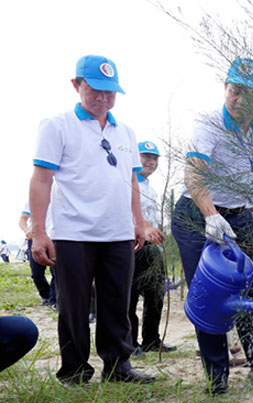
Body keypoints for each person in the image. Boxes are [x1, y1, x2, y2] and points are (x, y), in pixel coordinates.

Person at [29, 54, 155, 385]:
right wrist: (39, 233)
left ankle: (118, 367)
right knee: (74, 305)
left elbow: (131, 182)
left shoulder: (125, 131)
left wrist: (138, 223)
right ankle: (74, 371)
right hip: (73, 233)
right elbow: (41, 179)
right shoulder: (57, 126)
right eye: (94, 89)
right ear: (77, 85)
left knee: (117, 302)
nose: (102, 98)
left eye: (109, 92)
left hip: (117, 233)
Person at [170, 58, 253, 394]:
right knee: (209, 294)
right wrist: (211, 214)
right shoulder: (209, 124)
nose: (238, 98)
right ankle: (217, 379)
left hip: (238, 215)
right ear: (225, 89)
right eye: (233, 90)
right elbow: (195, 172)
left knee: (249, 287)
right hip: (197, 214)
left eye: (247, 93)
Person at [129, 141, 176, 354]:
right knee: (129, 296)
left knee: (156, 293)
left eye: (155, 158)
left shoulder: (150, 187)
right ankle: (130, 343)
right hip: (131, 245)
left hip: (151, 248)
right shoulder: (127, 182)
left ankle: (151, 339)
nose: (151, 161)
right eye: (146, 156)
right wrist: (145, 228)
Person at [19, 202, 57, 308]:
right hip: (35, 238)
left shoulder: (59, 197)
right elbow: (22, 219)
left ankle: (54, 300)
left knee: (56, 272)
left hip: (54, 237)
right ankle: (46, 295)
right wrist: (26, 231)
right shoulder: (32, 200)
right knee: (36, 273)